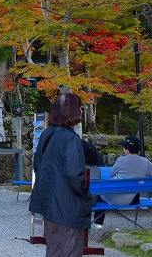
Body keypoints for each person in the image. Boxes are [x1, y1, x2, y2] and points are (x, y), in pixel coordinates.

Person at [29, 93, 91, 257]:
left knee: (54, 249)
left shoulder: (47, 133)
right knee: (69, 249)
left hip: (48, 203)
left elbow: (38, 164)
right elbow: (73, 174)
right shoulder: (71, 138)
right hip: (67, 204)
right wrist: (85, 194)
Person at [93, 136, 152, 228]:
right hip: (130, 199)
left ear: (127, 149)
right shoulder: (145, 162)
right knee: (134, 190)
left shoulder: (121, 160)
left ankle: (98, 223)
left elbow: (111, 173)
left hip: (114, 197)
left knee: (99, 195)